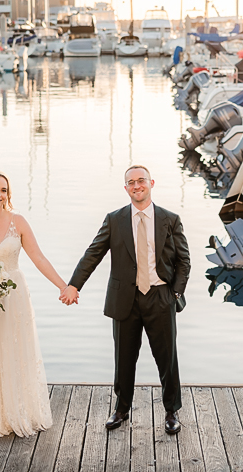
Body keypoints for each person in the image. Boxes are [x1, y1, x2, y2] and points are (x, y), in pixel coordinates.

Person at [61, 165, 190, 435]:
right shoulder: (114, 219)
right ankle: (121, 408)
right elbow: (92, 254)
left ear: (151, 183)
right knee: (124, 358)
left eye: (141, 180)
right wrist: (74, 284)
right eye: (131, 182)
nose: (136, 186)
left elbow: (183, 260)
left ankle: (171, 411)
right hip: (125, 300)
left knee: (167, 358)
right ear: (126, 188)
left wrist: (174, 293)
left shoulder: (170, 219)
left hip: (160, 297)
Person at [0, 171, 70, 438]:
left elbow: (38, 257)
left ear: (8, 195)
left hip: (14, 298)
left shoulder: (17, 222)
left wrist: (63, 286)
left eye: (4, 190)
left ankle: (20, 411)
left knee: (16, 351)